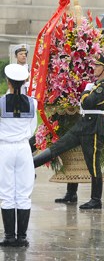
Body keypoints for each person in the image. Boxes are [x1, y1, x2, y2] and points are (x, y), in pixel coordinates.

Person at [33, 54, 104, 210]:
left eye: (97, 66)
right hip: (83, 124)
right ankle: (29, 165)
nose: (94, 68)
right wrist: (87, 92)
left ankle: (96, 199)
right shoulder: (97, 85)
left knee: (93, 164)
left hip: (95, 128)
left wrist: (85, 92)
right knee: (59, 147)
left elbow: (88, 101)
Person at [0, 65, 37, 247]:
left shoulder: (0, 102)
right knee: (23, 193)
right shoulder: (32, 102)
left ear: (8, 81)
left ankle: (8, 236)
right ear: (24, 82)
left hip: (5, 148)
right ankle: (22, 237)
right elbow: (32, 129)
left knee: (7, 193)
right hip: (23, 148)